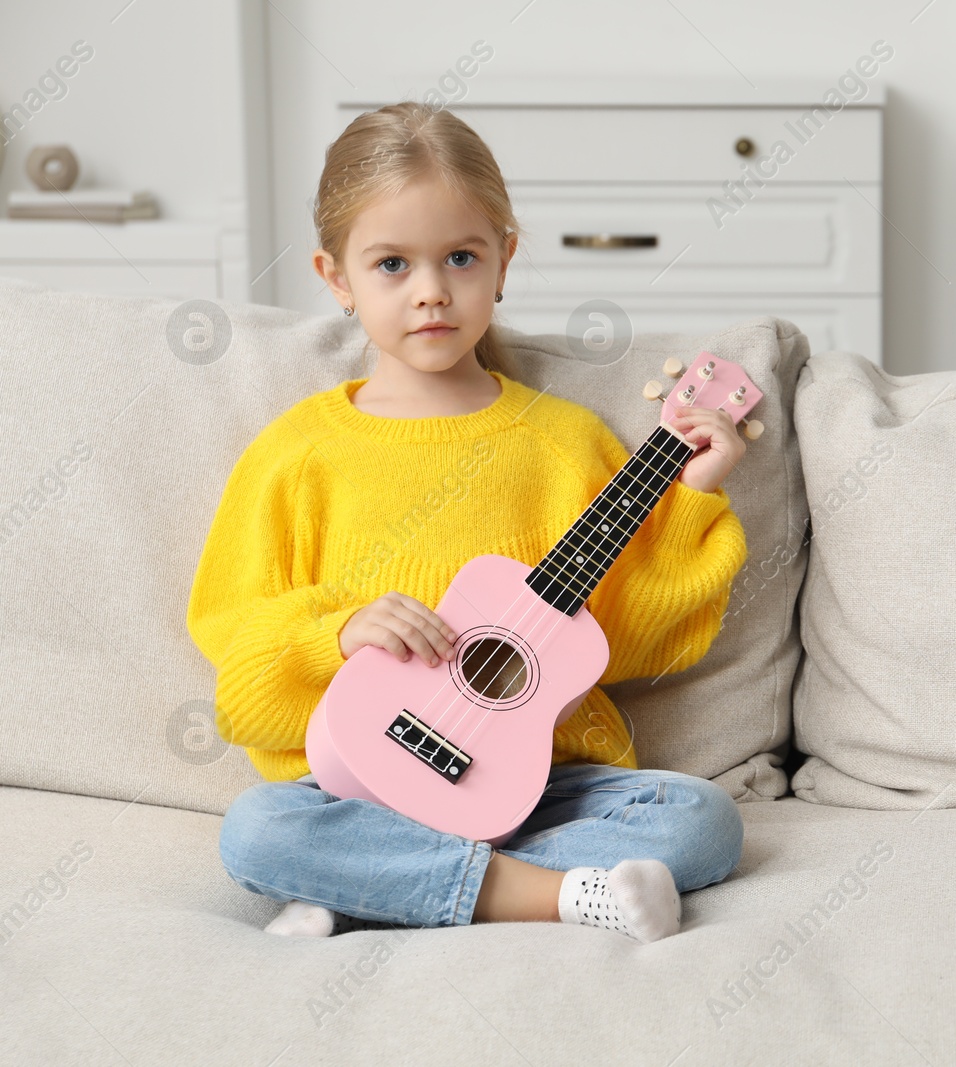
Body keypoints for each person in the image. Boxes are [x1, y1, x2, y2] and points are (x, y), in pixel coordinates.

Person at [187, 101, 749, 943]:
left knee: (702, 818)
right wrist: (335, 635)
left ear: (504, 261)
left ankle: (377, 887)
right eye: (390, 264)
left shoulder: (564, 444)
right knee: (260, 827)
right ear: (335, 276)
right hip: (355, 788)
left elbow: (626, 636)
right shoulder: (297, 455)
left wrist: (693, 493)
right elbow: (239, 670)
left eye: (459, 256)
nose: (431, 292)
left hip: (539, 784)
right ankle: (559, 896)